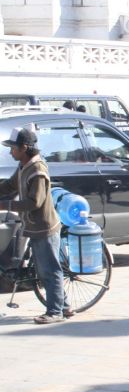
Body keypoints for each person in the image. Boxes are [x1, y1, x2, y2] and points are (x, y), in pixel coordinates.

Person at [0, 128, 69, 323]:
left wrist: (6, 205)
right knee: (44, 269)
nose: (10, 152)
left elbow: (35, 202)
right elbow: (10, 186)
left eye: (13, 148)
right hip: (33, 225)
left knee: (49, 270)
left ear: (24, 148)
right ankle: (65, 306)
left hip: (44, 227)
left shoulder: (37, 170)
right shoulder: (23, 165)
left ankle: (56, 312)